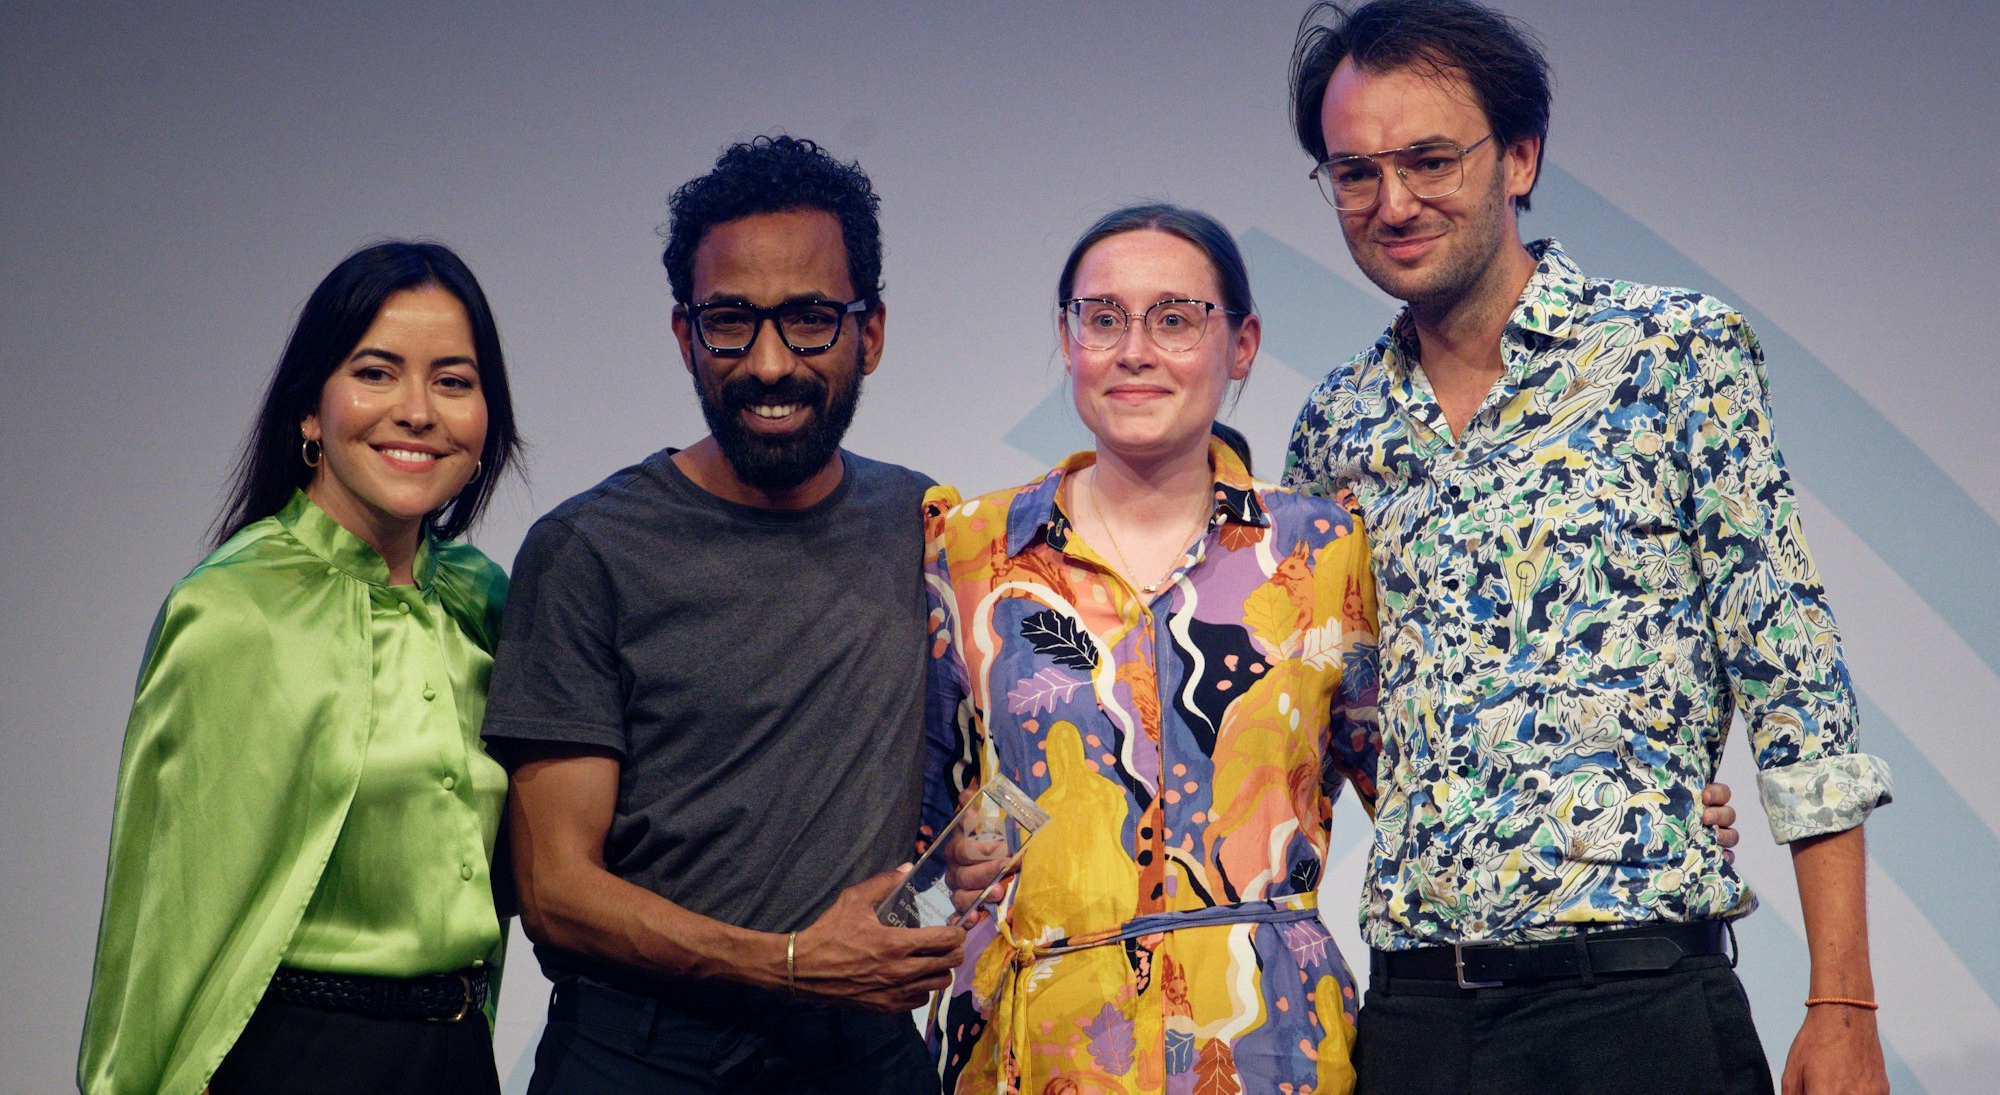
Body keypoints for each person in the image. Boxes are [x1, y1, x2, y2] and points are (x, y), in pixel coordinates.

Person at [1281, 0, 1893, 1095]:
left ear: (1518, 157)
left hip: (1637, 1004)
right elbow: (1326, 726)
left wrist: (1842, 1003)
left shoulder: (1673, 353)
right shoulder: (1334, 425)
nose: (1392, 201)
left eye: (1430, 160)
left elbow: (1795, 684)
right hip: (1418, 1015)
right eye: (1355, 172)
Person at [482, 135, 963, 1094]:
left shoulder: (927, 524)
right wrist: (789, 962)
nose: (769, 363)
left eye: (811, 319)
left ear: (870, 332)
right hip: (643, 1057)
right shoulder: (587, 549)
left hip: (862, 1055)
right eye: (731, 321)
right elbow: (556, 893)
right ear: (684, 335)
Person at [922, 203, 1381, 1094]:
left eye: (1175, 319)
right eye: (1103, 319)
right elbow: (913, 826)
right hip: (1036, 1050)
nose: (1135, 350)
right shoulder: (970, 547)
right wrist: (946, 871)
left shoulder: (1323, 549)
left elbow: (1412, 800)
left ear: (1242, 345)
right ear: (1069, 341)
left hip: (1265, 1047)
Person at [78, 241, 524, 1095]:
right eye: (376, 372)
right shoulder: (231, 610)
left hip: (459, 1058)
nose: (417, 410)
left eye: (453, 381)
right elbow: (160, 924)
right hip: (301, 1058)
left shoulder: (487, 601)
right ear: (311, 412)